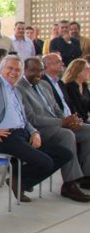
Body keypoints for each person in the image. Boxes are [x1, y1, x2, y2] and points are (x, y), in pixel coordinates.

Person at [0, 55, 73, 202]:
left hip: (21, 134)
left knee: (64, 154)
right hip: (2, 136)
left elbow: (24, 119)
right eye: (10, 68)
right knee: (45, 162)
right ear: (2, 68)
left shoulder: (16, 90)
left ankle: (20, 181)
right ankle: (17, 177)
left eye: (17, 69)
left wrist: (34, 132)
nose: (13, 72)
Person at [16, 57, 90, 202]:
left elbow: (56, 109)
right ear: (24, 70)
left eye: (40, 70)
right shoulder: (19, 88)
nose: (38, 74)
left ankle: (86, 176)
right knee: (67, 135)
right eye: (33, 70)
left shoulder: (44, 85)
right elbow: (32, 119)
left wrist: (70, 121)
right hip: (37, 131)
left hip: (57, 125)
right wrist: (62, 122)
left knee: (88, 130)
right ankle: (69, 184)